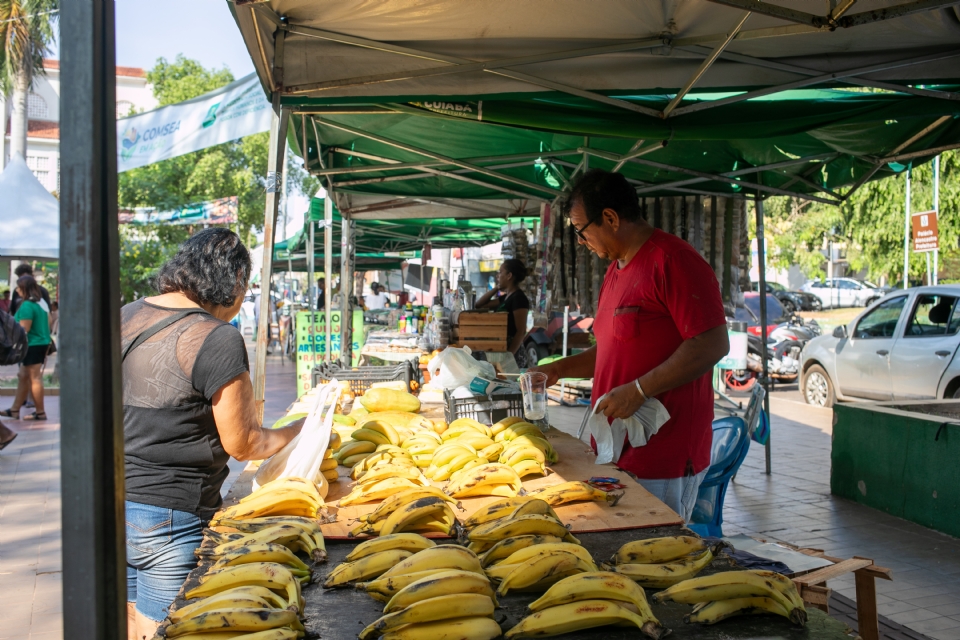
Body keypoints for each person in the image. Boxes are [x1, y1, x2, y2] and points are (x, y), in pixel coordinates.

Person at [119, 228, 303, 639]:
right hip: (170, 512)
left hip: (113, 500)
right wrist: (301, 429)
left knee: (130, 617)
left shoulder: (127, 315)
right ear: (234, 282)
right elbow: (245, 444)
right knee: (168, 628)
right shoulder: (216, 337)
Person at [532, 169, 729, 522]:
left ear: (609, 218)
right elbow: (610, 351)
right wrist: (559, 369)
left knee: (655, 556)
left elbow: (712, 343)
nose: (581, 241)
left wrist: (638, 390)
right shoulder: (616, 270)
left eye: (581, 230)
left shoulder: (673, 260)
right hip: (617, 450)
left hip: (662, 456)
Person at [0, 275, 51, 421]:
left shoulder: (27, 306)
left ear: (24, 288)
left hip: (32, 345)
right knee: (23, 376)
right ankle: (15, 410)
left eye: (18, 287)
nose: (16, 290)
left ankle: (40, 412)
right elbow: (48, 321)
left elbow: (24, 329)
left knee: (35, 378)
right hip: (40, 343)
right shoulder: (40, 303)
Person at [475, 259, 531, 357]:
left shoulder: (519, 298)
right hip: (502, 348)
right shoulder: (506, 297)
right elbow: (479, 305)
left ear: (509, 276)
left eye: (500, 272)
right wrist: (496, 288)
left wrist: (509, 355)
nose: (498, 275)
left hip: (512, 353)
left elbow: (521, 331)